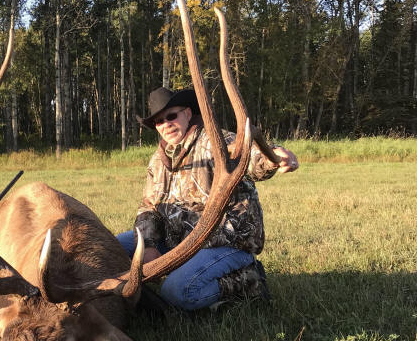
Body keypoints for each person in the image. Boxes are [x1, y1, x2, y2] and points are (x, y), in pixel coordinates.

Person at [117, 86, 299, 311]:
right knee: (109, 247)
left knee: (176, 292)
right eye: (159, 121)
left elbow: (248, 155)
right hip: (180, 241)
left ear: (187, 113)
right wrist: (151, 245)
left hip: (227, 243)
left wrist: (274, 156)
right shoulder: (158, 160)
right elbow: (149, 207)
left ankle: (248, 281)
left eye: (171, 116)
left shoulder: (215, 142)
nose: (166, 125)